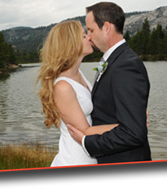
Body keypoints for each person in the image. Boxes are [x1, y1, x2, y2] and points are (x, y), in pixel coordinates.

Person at [67, 2, 152, 164]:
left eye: (91, 30)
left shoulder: (126, 65)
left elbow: (133, 133)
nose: (88, 36)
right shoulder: (114, 60)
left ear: (106, 27)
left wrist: (86, 141)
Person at [36, 20, 118, 167]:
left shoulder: (78, 74)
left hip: (91, 155)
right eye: (83, 35)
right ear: (71, 43)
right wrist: (130, 126)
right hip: (76, 160)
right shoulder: (63, 87)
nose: (89, 37)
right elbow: (85, 131)